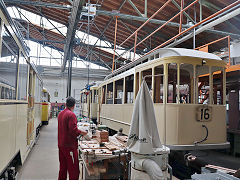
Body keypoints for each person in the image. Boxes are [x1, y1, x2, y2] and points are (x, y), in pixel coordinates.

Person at [58, 97, 87, 180]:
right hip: (69, 146)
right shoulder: (71, 115)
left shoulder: (61, 114)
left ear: (66, 104)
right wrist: (82, 132)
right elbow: (73, 130)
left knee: (63, 169)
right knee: (74, 170)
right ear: (74, 105)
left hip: (61, 145)